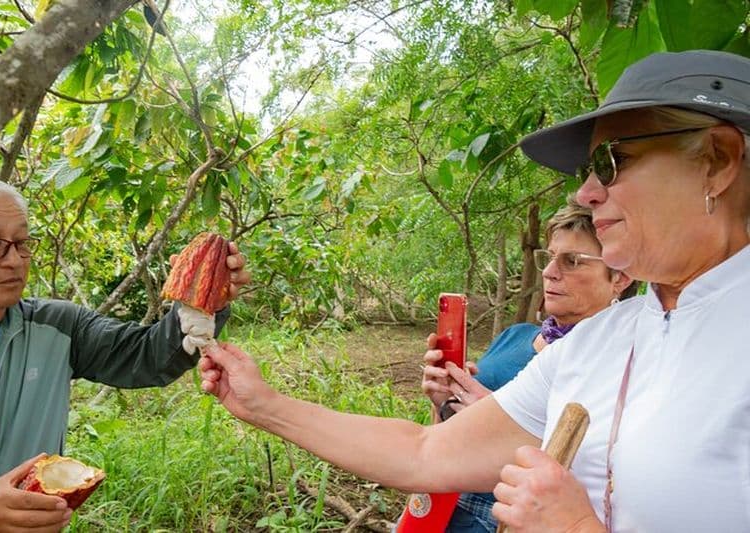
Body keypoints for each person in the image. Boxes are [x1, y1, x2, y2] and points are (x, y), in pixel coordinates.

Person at [199, 49, 750, 532]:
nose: (587, 192)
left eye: (614, 162)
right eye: (589, 169)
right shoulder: (599, 342)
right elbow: (426, 452)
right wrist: (263, 405)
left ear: (718, 161)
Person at [0, 173, 250, 532]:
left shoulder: (57, 326)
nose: (14, 260)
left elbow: (147, 357)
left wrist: (199, 305)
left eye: (23, 242)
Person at [421, 199, 636, 533]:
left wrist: (493, 430)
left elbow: (605, 472)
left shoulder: (623, 368)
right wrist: (442, 401)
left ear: (620, 277)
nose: (550, 272)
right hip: (440, 510)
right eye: (549, 258)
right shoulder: (515, 336)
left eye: (572, 261)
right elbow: (441, 438)